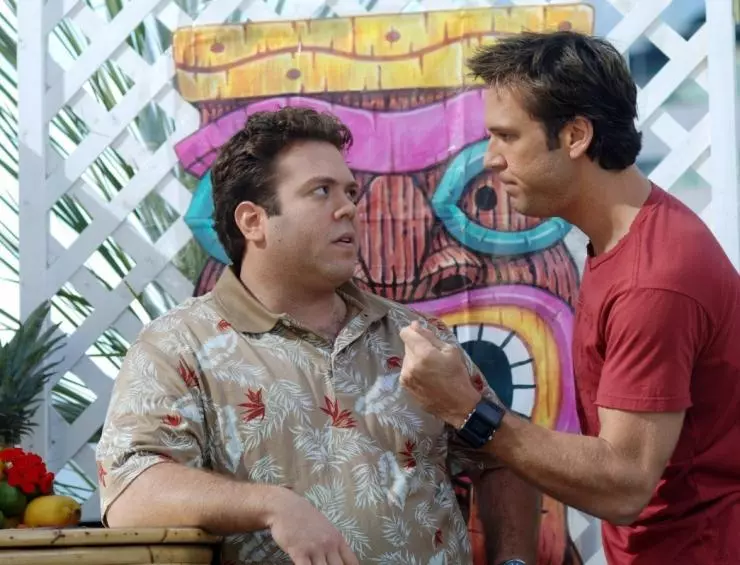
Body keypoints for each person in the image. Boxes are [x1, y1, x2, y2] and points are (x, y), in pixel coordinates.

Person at [95, 106, 541, 565]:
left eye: (350, 191)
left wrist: (513, 562)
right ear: (252, 221)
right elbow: (131, 491)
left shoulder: (417, 338)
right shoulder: (178, 345)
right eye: (321, 191)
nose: (349, 207)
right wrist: (271, 506)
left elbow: (503, 456)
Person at [396, 30, 740, 565]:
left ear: (576, 135)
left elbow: (625, 484)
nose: (491, 158)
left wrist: (468, 411)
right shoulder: (630, 240)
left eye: (507, 136)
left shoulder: (654, 280)